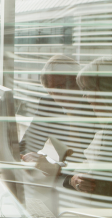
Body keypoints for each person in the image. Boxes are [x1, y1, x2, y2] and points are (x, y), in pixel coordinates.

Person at [18, 55, 98, 192]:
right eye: (58, 87)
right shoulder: (48, 105)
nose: (65, 91)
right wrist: (26, 157)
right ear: (49, 90)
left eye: (71, 83)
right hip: (65, 182)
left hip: (90, 183)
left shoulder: (95, 104)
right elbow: (26, 145)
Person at [70, 57, 112, 199]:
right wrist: (75, 179)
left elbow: (96, 187)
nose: (85, 96)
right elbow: (85, 169)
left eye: (88, 89)